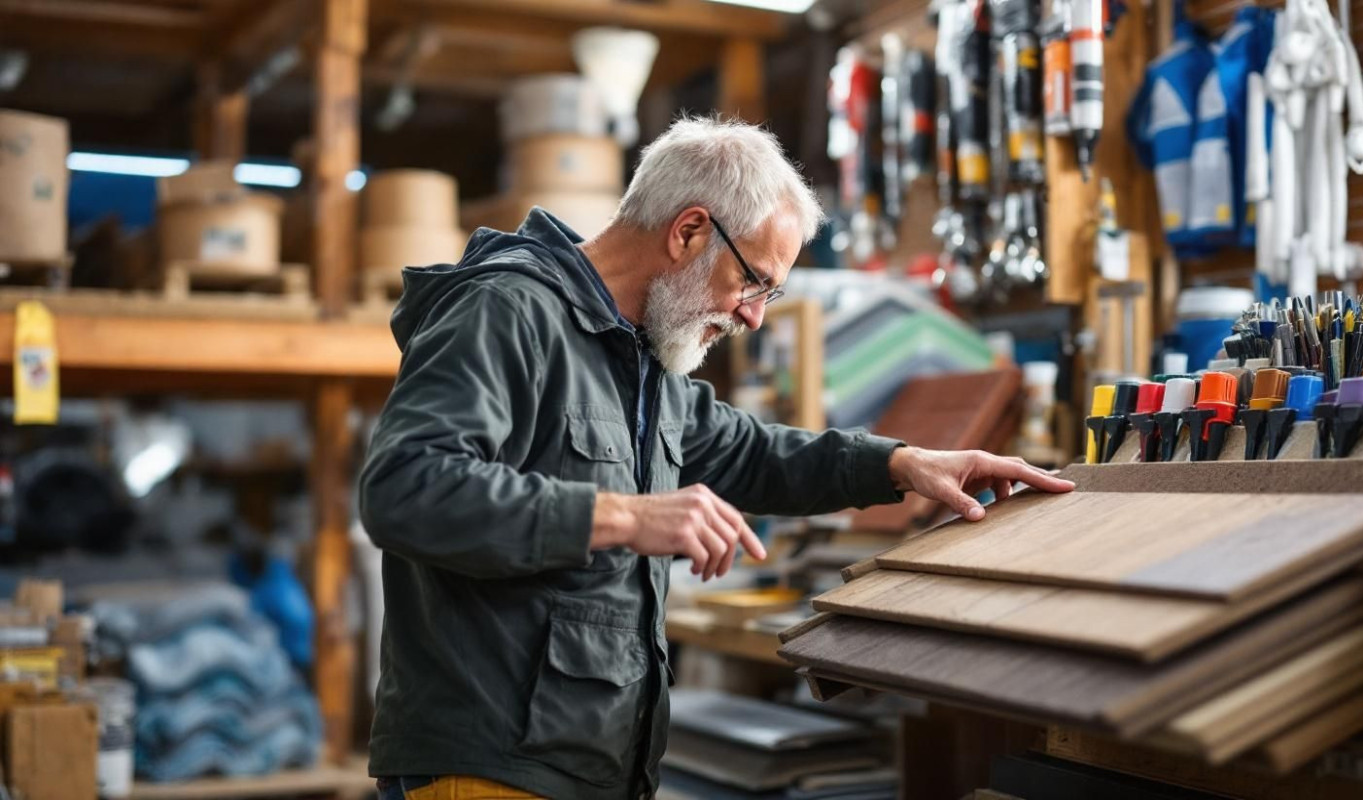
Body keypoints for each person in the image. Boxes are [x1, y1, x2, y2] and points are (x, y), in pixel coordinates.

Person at [360, 117, 1075, 800]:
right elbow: (406, 487)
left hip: (586, 763)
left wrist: (902, 463)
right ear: (690, 231)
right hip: (492, 764)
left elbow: (751, 452)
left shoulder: (640, 358)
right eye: (754, 281)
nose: (755, 314)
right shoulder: (508, 313)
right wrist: (622, 517)